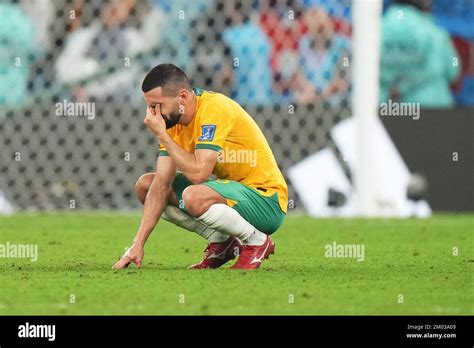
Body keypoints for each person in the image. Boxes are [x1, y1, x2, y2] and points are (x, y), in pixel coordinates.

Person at [112, 64, 288, 270]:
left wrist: (162, 136)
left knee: (193, 195)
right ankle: (223, 242)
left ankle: (257, 241)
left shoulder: (214, 109)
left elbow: (198, 174)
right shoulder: (172, 123)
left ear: (183, 97)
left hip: (266, 202)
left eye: (157, 105)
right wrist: (137, 245)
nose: (152, 115)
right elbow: (161, 185)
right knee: (146, 185)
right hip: (233, 196)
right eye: (150, 107)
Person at [379, 0, 460, 107]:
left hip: (382, 109)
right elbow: (453, 71)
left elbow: (360, 69)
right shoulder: (434, 32)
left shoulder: (375, 29)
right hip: (431, 109)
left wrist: (397, 86)